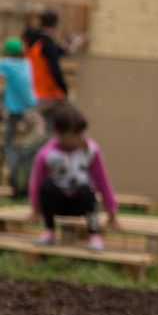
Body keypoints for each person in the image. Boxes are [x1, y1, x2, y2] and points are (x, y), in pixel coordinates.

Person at [28, 104, 118, 251]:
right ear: (59, 134)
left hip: (80, 203)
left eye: (83, 133)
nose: (81, 138)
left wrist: (111, 211)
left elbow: (102, 180)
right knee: (46, 187)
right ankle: (49, 231)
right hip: (57, 204)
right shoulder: (46, 153)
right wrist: (35, 209)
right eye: (75, 135)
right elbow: (36, 182)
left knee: (88, 191)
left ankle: (94, 234)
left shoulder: (91, 150)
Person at [1, 37, 37, 186]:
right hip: (31, 107)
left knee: (9, 142)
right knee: (26, 143)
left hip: (14, 110)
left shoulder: (6, 64)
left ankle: (15, 176)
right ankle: (27, 175)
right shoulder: (28, 63)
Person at [23, 10, 70, 106]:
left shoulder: (31, 40)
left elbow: (44, 54)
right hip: (46, 93)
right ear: (55, 26)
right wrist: (64, 90)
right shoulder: (47, 44)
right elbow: (55, 70)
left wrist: (60, 50)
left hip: (29, 90)